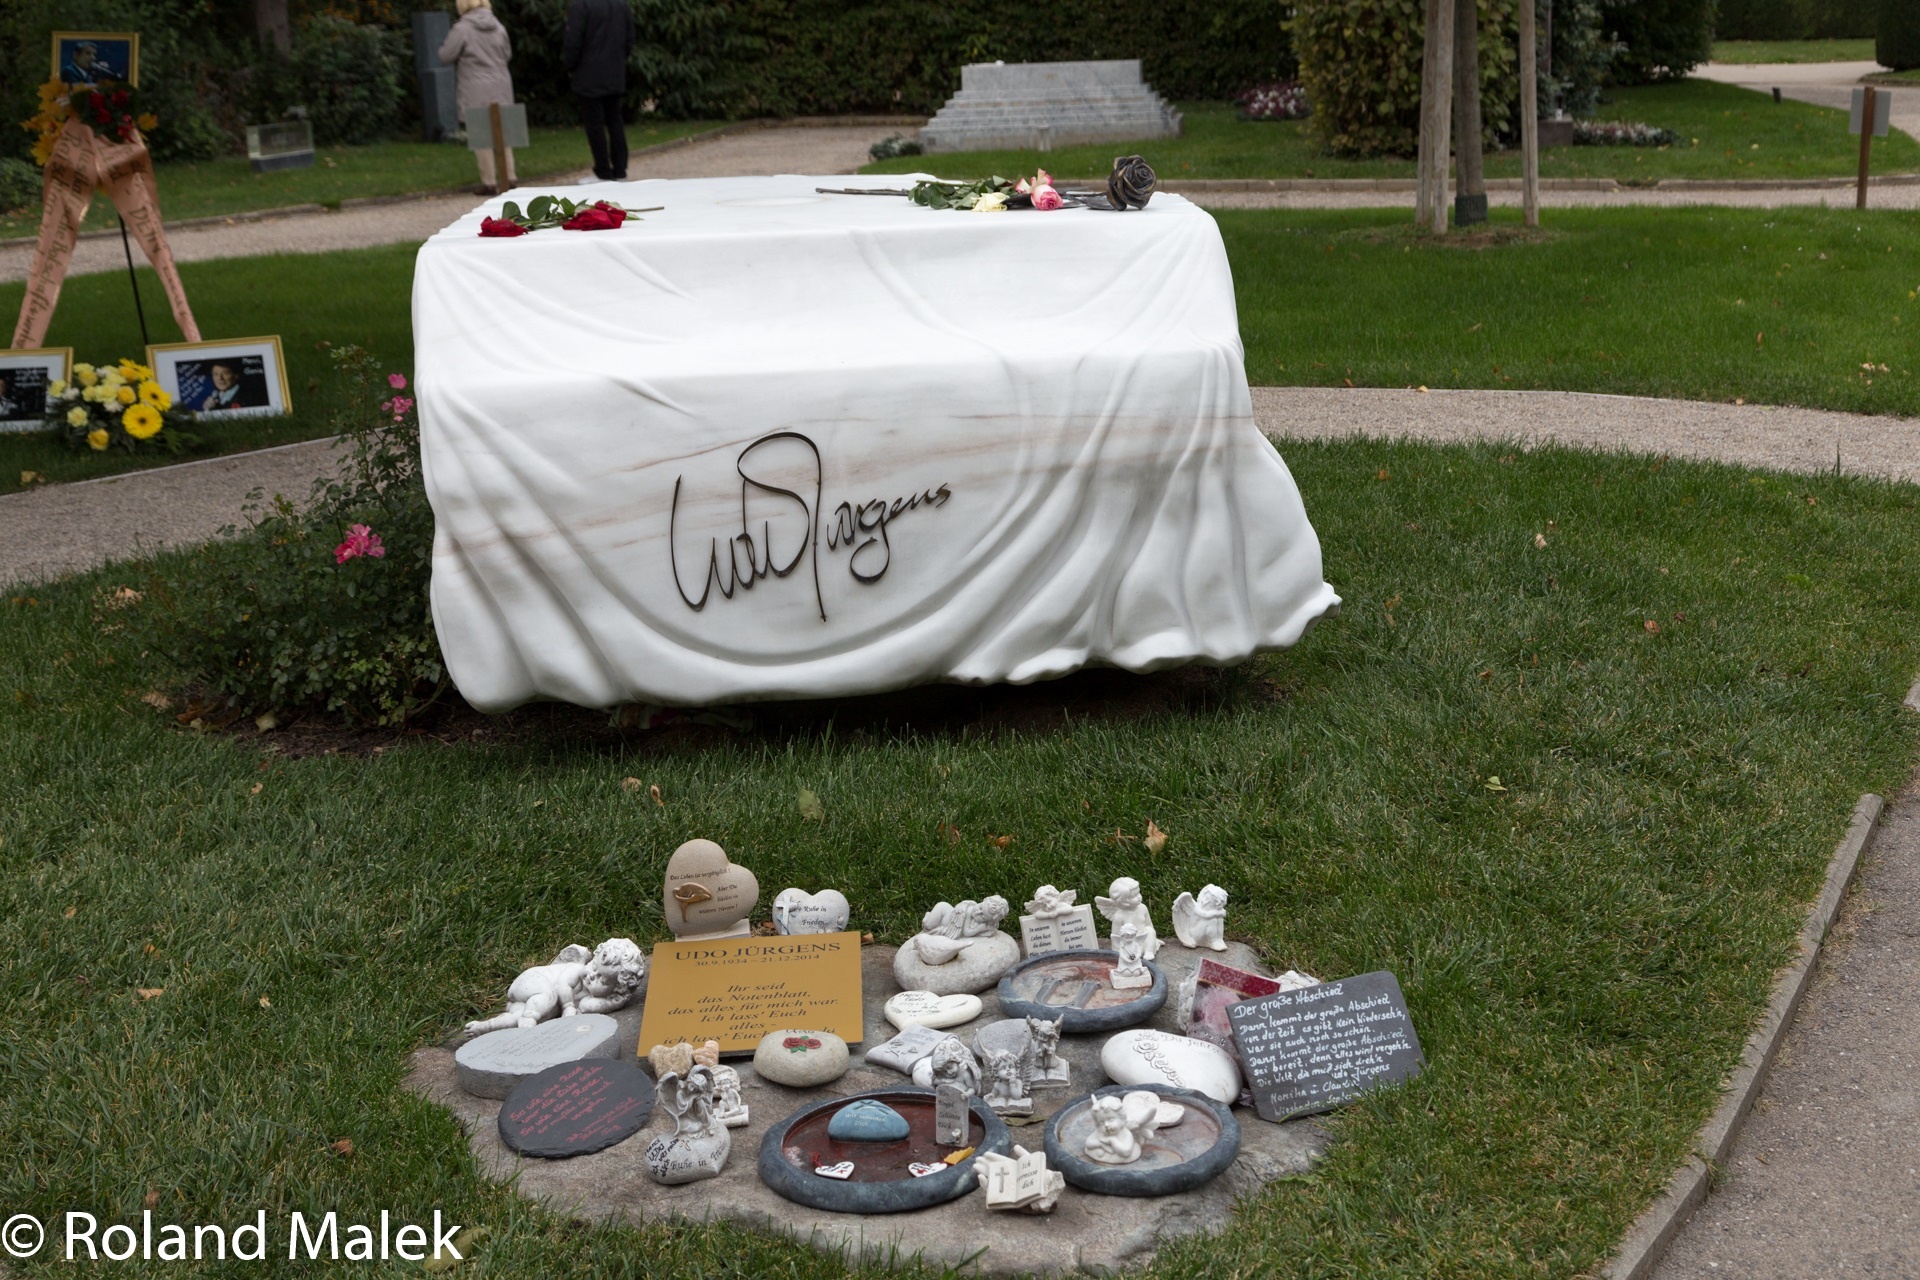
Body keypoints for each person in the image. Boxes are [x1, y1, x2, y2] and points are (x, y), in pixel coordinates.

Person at [439, 0, 517, 194]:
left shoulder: (462, 29)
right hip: (500, 83)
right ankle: (510, 177)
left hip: (474, 85)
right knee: (504, 133)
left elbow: (446, 55)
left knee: (481, 135)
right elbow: (507, 54)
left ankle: (489, 181)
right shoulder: (499, 26)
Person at [563, 0, 634, 182]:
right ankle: (620, 170)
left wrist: (570, 66)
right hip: (614, 71)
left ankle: (603, 171)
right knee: (615, 121)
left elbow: (573, 41)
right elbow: (629, 40)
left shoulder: (582, 6)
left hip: (588, 72)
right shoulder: (621, 5)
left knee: (595, 124)